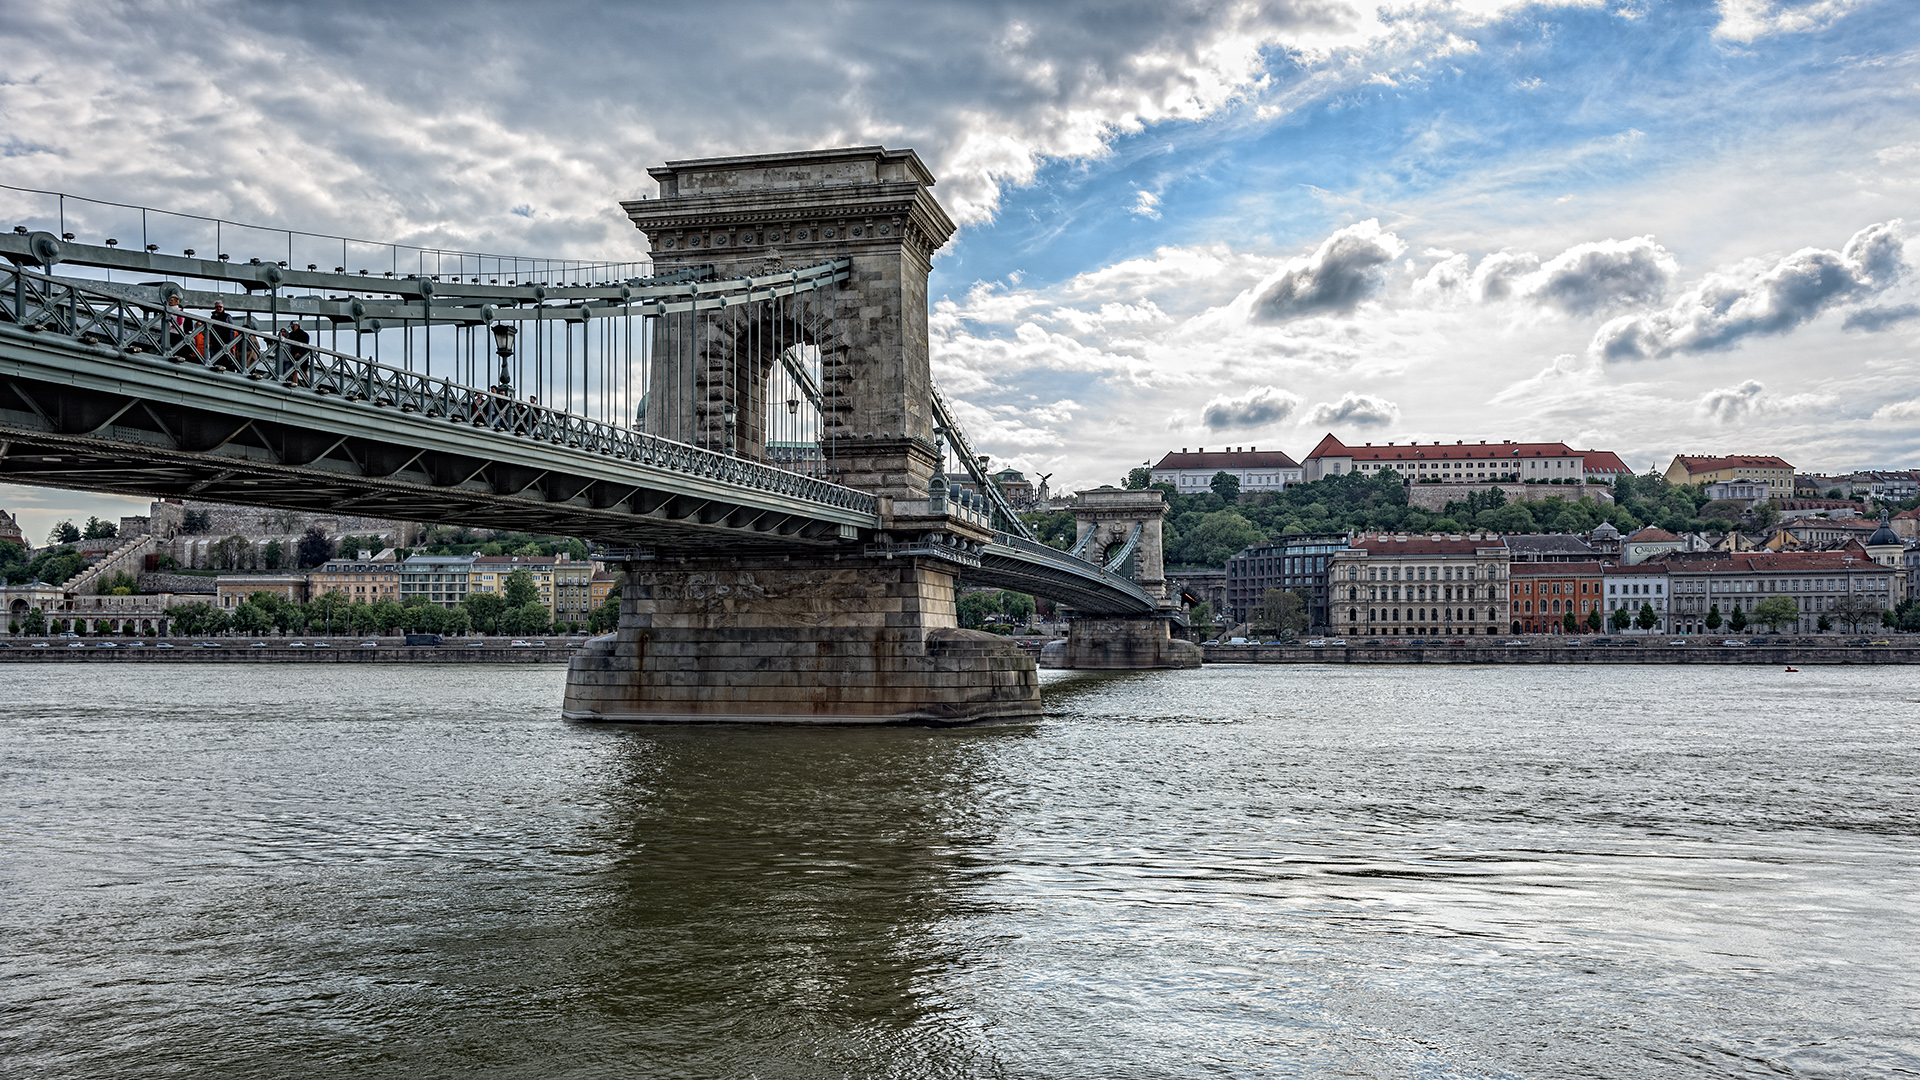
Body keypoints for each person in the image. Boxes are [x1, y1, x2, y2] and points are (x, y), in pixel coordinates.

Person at [209, 299, 237, 368]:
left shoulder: (227, 316)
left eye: (220, 307)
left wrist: (230, 342)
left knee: (225, 357)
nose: (218, 308)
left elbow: (231, 330)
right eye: (217, 307)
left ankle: (228, 369)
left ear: (223, 308)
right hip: (215, 340)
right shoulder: (213, 316)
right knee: (216, 357)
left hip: (224, 340)